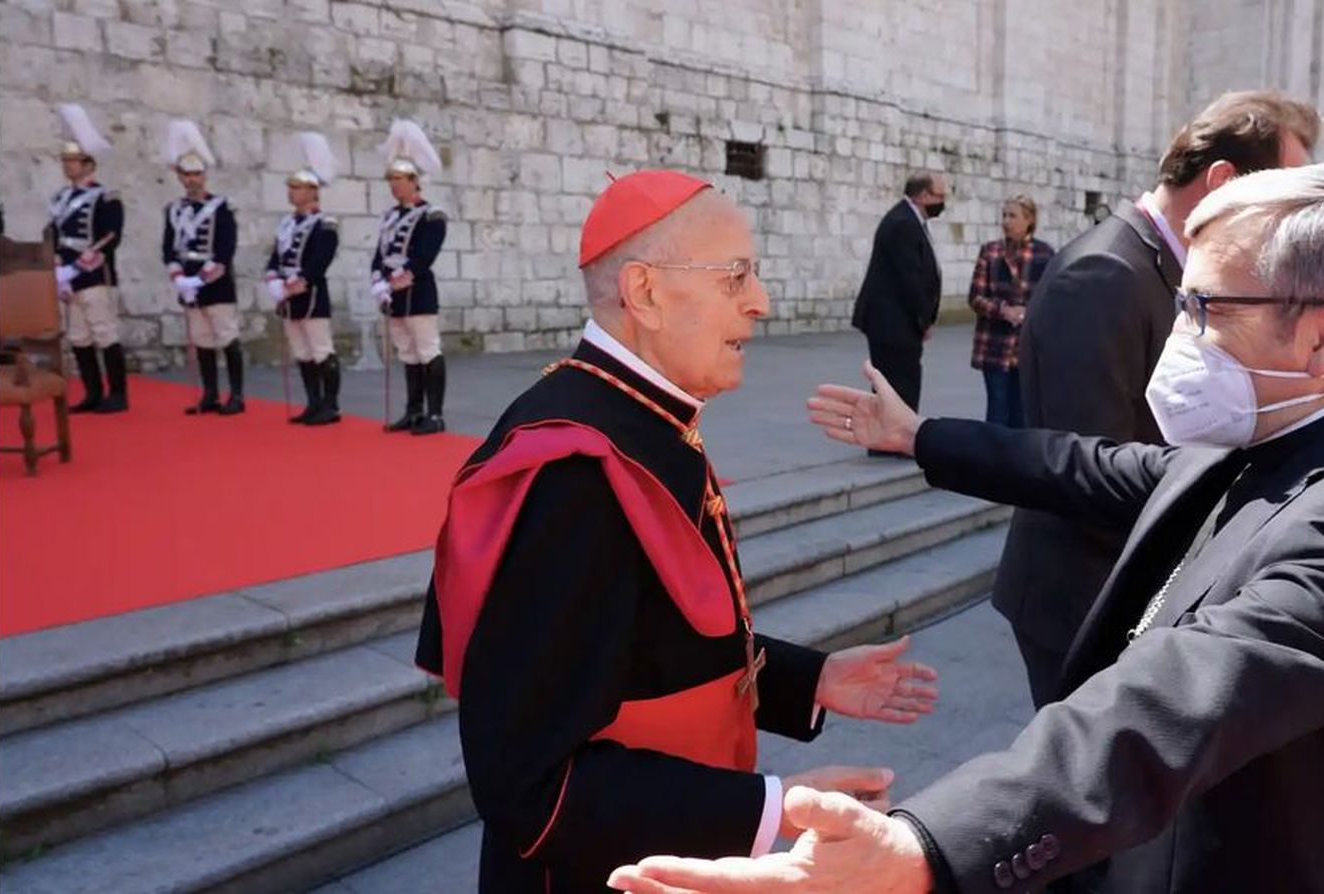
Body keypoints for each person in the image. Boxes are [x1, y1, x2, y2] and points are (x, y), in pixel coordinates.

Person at [610, 161, 1324, 894]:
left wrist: (924, 848)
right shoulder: (1282, 429)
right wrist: (921, 435)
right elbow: (1092, 467)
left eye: (1206, 312)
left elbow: (1173, 702)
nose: (1180, 337)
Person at [413, 170, 940, 893]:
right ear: (646, 292)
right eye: (735, 278)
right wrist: (774, 806)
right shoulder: (570, 471)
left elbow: (646, 651)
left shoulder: (641, 416)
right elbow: (530, 787)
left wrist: (808, 679)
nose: (761, 302)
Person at [999, 90, 1320, 709]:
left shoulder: (1163, 268)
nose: (1285, 224)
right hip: (1087, 595)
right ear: (1222, 181)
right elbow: (1085, 465)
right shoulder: (1103, 276)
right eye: (1278, 200)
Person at [851, 171, 946, 427]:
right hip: (893, 322)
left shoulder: (908, 220)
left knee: (898, 380)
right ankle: (892, 436)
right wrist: (924, 319)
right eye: (940, 196)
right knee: (897, 382)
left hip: (896, 321)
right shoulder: (903, 223)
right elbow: (910, 279)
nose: (943, 202)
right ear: (924, 195)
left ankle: (891, 434)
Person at [372, 119, 449, 435]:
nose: (394, 185)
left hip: (417, 292)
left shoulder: (432, 215)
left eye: (399, 179)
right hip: (394, 293)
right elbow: (380, 252)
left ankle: (435, 414)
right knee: (406, 351)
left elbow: (423, 256)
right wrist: (378, 280)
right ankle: (413, 410)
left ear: (414, 181)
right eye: (391, 179)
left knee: (427, 349)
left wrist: (399, 278)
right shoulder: (390, 216)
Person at [49, 104, 127, 414]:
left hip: (94, 273)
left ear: (89, 163)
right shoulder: (60, 199)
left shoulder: (106, 196)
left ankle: (118, 394)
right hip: (67, 275)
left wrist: (77, 267)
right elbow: (53, 235)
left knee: (104, 332)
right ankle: (93, 393)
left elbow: (110, 236)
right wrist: (58, 271)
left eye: (74, 161)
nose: (68, 166)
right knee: (79, 336)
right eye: (66, 160)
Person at [161, 119, 243, 416]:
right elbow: (168, 247)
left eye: (197, 174)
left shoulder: (221, 207)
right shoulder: (174, 210)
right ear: (180, 177)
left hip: (216, 282)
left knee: (227, 337)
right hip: (188, 281)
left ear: (204, 175)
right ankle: (209, 394)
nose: (192, 179)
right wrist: (179, 277)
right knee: (202, 340)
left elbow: (226, 248)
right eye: (187, 174)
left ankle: (237, 395)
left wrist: (202, 278)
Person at [266, 132, 342, 426]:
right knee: (302, 352)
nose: (292, 192)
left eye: (297, 187)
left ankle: (330, 405)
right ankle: (313, 402)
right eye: (291, 187)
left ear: (312, 191)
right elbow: (277, 255)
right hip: (288, 297)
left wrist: (298, 282)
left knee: (321, 350)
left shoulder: (325, 223)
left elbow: (320, 260)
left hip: (310, 296)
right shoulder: (286, 223)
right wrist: (273, 278)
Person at [967, 195, 1053, 427]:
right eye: (1004, 215)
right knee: (997, 410)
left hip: (1027, 348)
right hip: (995, 345)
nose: (1006, 221)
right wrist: (1003, 310)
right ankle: (991, 461)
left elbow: (1053, 299)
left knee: (1023, 413)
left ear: (1029, 220)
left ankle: (1019, 461)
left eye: (1012, 216)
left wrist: (1028, 313)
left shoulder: (1045, 255)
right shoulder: (991, 252)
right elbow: (975, 297)